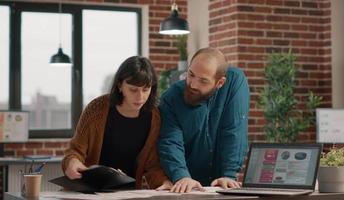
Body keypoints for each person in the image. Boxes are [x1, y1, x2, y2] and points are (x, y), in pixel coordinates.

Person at [62, 56, 171, 190]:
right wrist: (72, 162)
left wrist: (163, 182)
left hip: (127, 192)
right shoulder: (96, 109)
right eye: (133, 90)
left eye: (145, 89)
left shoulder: (154, 117)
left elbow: (152, 164)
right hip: (89, 191)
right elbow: (75, 151)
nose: (140, 97)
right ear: (120, 85)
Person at [158, 47, 250, 193]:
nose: (193, 84)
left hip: (221, 184)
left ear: (220, 83)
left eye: (203, 81)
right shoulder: (171, 98)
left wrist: (229, 174)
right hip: (186, 184)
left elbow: (234, 129)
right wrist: (181, 176)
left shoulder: (234, 82)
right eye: (191, 74)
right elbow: (170, 141)